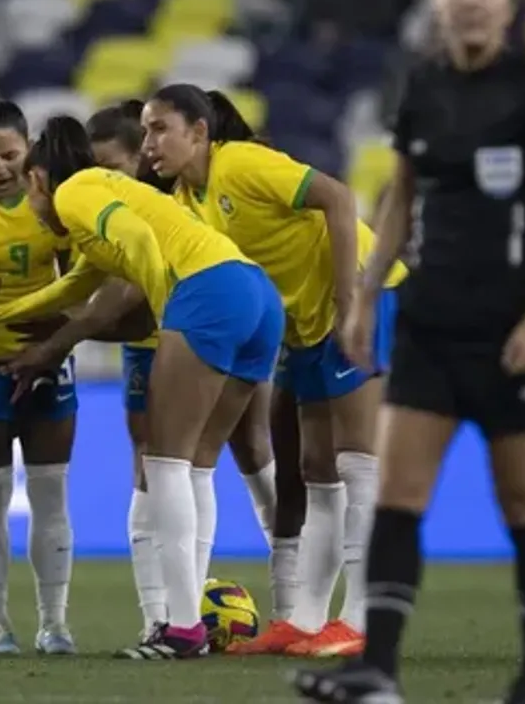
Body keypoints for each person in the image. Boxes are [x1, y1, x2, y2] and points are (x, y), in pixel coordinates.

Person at [292, 0, 525, 704]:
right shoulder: (419, 87)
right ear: (441, 2)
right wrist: (366, 290)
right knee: (397, 498)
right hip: (430, 323)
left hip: (512, 330)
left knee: (524, 504)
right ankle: (378, 672)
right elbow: (401, 196)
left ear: (507, 5)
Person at [0, 116, 284, 660]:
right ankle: (187, 620)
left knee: (163, 462)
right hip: (254, 293)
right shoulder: (99, 208)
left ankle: (181, 627)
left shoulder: (76, 193)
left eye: (27, 184)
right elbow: (71, 291)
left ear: (39, 179)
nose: (28, 201)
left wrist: (169, 309)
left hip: (204, 293)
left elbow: (138, 241)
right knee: (197, 464)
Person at [141, 83, 406, 658]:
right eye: (144, 131)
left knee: (358, 462)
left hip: (360, 292)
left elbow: (337, 197)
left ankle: (360, 620)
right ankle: (307, 620)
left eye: (159, 128)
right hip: (307, 324)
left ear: (200, 131)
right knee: (315, 470)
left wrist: (347, 302)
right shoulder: (187, 201)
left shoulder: (242, 164)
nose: (148, 143)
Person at [83, 101, 282, 637]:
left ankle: (284, 593)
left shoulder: (173, 201)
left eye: (113, 167)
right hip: (160, 340)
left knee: (240, 450)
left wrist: (62, 333)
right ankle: (163, 616)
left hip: (208, 324)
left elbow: (132, 289)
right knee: (160, 465)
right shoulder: (159, 199)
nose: (105, 178)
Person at [0, 89, 77, 655]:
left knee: (51, 495)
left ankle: (54, 623)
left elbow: (88, 279)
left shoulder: (54, 201)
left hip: (50, 361)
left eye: (10, 156)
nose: (0, 169)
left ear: (28, 151)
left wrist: (60, 336)